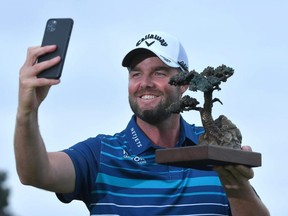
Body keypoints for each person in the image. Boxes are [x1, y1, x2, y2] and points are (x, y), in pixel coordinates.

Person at [14, 30, 270, 215]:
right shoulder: (100, 154)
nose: (144, 83)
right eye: (136, 73)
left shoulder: (213, 145)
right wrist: (28, 111)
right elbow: (35, 172)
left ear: (184, 83)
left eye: (159, 72)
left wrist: (236, 183)